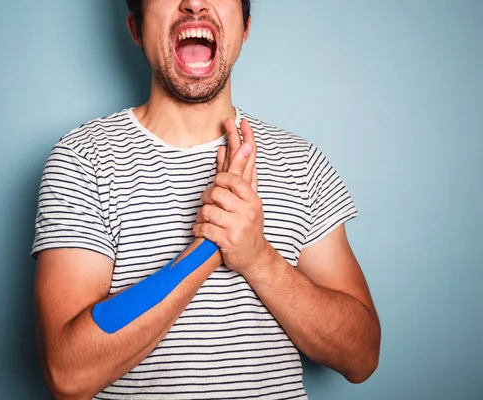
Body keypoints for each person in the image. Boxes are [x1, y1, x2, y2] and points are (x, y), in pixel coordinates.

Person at [31, 0, 381, 399]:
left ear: (245, 25)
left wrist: (258, 257)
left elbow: (362, 356)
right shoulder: (83, 159)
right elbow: (68, 373)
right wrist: (209, 248)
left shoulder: (300, 163)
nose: (194, 2)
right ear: (136, 27)